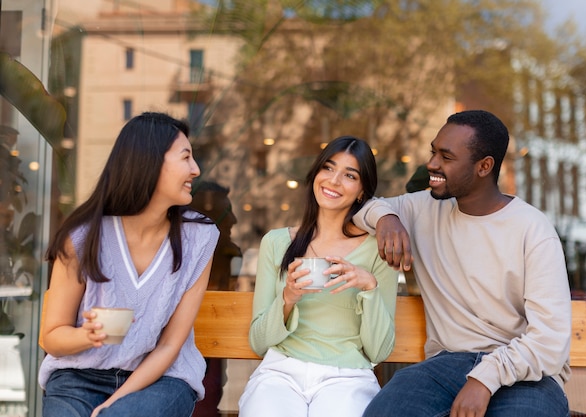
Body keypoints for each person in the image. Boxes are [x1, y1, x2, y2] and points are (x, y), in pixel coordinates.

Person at [355, 110, 572, 417]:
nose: (432, 164)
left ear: (484, 166)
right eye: (433, 152)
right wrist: (385, 218)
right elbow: (357, 206)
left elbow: (549, 340)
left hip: (524, 373)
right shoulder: (422, 208)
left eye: (446, 157)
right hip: (445, 366)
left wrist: (484, 379)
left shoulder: (532, 230)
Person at [38, 112, 220, 417]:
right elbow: (53, 337)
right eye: (186, 157)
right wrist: (87, 335)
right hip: (78, 378)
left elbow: (169, 346)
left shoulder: (199, 237)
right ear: (148, 162)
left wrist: (114, 403)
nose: (196, 170)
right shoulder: (84, 236)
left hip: (162, 379)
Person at [238, 136, 398, 417]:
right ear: (316, 175)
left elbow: (379, 352)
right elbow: (259, 342)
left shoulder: (377, 250)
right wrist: (287, 299)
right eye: (328, 168)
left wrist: (368, 287)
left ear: (362, 191)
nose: (334, 181)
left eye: (350, 175)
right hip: (281, 372)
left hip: (347, 376)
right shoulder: (276, 243)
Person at [189, 181, 241, 417]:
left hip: (216, 337)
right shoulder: (186, 250)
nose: (233, 220)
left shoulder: (230, 254)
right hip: (191, 339)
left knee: (212, 388)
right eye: (226, 212)